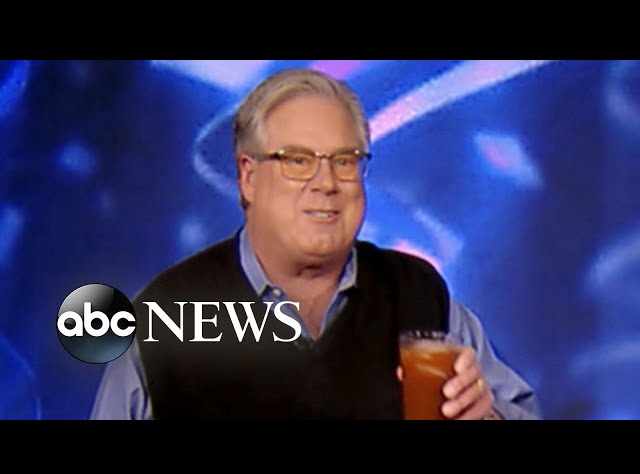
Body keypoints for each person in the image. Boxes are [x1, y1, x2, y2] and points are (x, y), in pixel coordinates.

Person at [91, 68, 541, 420]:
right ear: (248, 177)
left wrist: (483, 411)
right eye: (296, 162)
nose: (324, 184)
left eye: (343, 162)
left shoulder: (421, 298)